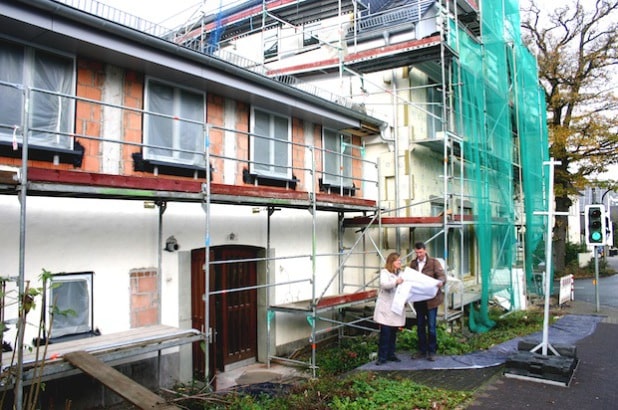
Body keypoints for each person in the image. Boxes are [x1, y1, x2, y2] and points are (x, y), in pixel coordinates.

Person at [409, 242, 446, 361]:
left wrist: (440, 281)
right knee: (420, 326)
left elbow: (442, 276)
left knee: (431, 326)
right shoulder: (413, 264)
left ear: (425, 250)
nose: (418, 254)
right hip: (419, 300)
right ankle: (422, 350)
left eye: (420, 252)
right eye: (416, 252)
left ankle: (432, 351)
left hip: (431, 301)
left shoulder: (434, 262)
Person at [373, 252, 405, 365]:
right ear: (392, 262)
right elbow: (384, 285)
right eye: (398, 261)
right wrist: (396, 282)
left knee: (393, 333)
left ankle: (391, 354)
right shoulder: (384, 272)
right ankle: (382, 357)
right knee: (385, 333)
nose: (400, 263)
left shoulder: (401, 273)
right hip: (386, 307)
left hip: (396, 306)